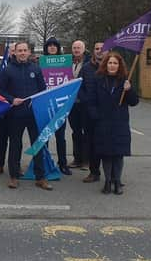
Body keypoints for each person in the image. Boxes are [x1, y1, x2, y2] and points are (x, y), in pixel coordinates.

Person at [0, 41, 52, 191]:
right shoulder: (8, 70)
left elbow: (43, 89)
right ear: (14, 53)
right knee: (15, 145)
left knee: (38, 145)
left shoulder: (36, 68)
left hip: (34, 113)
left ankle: (40, 177)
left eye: (24, 50)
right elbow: (0, 90)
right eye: (19, 50)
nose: (22, 53)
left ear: (29, 52)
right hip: (15, 114)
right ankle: (14, 176)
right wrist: (11, 99)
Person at [87, 51, 139, 195]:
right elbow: (91, 101)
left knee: (118, 154)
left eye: (115, 63)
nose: (112, 65)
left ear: (119, 65)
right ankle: (107, 181)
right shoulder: (98, 79)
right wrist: (96, 116)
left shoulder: (125, 81)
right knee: (106, 154)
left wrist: (129, 90)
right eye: (110, 63)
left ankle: (117, 181)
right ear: (105, 64)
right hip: (102, 122)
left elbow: (134, 102)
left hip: (119, 122)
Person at [42, 37, 71, 176]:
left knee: (60, 137)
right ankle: (44, 162)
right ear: (46, 48)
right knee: (45, 136)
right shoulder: (40, 63)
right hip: (45, 105)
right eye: (50, 45)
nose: (52, 47)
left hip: (60, 105)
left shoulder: (65, 62)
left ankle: (63, 164)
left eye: (55, 45)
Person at [80, 42, 105, 183]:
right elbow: (80, 88)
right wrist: (87, 103)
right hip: (89, 112)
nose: (99, 51)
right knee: (90, 143)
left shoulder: (112, 67)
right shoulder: (86, 68)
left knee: (106, 143)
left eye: (102, 49)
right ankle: (94, 172)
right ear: (93, 51)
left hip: (106, 113)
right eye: (97, 49)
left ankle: (111, 173)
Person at [0, 42, 15, 177]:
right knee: (3, 138)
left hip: (19, 110)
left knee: (15, 140)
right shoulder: (0, 68)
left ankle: (15, 165)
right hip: (5, 109)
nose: (13, 52)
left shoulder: (26, 66)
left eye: (15, 50)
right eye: (11, 50)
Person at [68, 40, 89, 169]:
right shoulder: (67, 62)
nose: (76, 50)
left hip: (84, 102)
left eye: (79, 47)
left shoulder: (88, 62)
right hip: (71, 103)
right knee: (75, 131)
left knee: (86, 132)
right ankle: (77, 158)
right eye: (74, 48)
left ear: (84, 49)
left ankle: (86, 160)